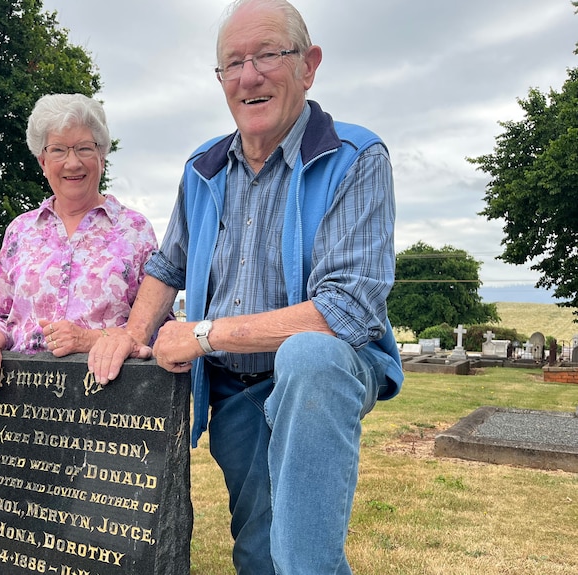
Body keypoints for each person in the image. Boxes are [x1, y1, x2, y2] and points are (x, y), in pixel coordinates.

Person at [88, 1, 404, 573]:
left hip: (325, 373)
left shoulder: (355, 158)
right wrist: (135, 334)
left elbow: (348, 308)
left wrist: (204, 334)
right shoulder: (201, 168)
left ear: (309, 66)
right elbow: (167, 265)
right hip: (234, 389)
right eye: (233, 63)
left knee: (308, 359)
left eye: (268, 56)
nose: (249, 76)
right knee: (258, 550)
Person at [0, 93, 161, 401]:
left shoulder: (135, 231)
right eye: (58, 150)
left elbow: (158, 325)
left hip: (109, 403)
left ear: (102, 157)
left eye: (84, 148)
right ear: (43, 162)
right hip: (19, 403)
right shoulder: (20, 231)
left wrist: (90, 339)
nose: (72, 162)